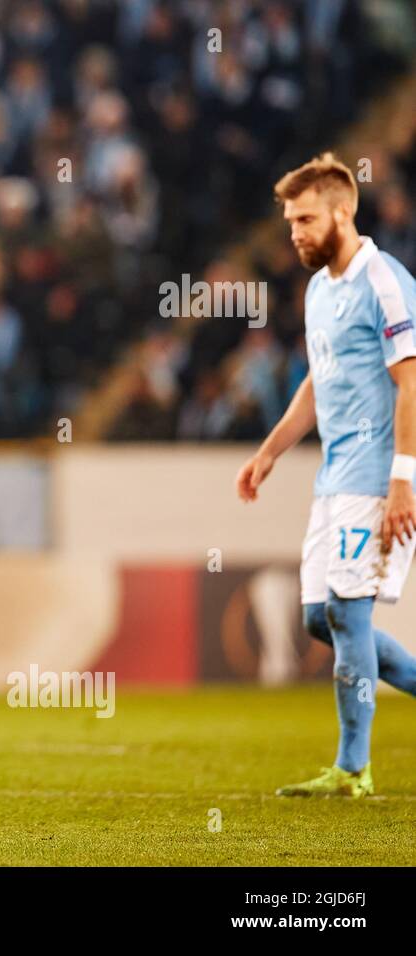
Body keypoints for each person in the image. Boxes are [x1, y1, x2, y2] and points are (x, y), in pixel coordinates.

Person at [235, 153, 416, 797]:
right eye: (289, 223)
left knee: (345, 611)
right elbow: (319, 381)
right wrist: (271, 449)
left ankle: (353, 767)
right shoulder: (318, 290)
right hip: (334, 480)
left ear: (344, 211)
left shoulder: (385, 281)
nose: (295, 234)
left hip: (376, 478)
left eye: (306, 219)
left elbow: (411, 382)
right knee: (320, 618)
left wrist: (403, 481)